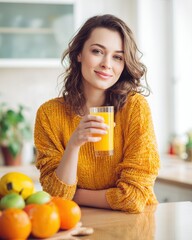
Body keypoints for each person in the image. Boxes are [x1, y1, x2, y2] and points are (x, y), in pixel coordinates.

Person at [34, 14, 160, 213]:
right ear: (79, 54)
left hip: (133, 227)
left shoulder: (135, 107)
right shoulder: (49, 114)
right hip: (77, 225)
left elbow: (133, 198)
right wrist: (74, 144)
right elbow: (56, 196)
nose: (106, 64)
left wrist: (75, 194)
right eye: (97, 51)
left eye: (117, 57)